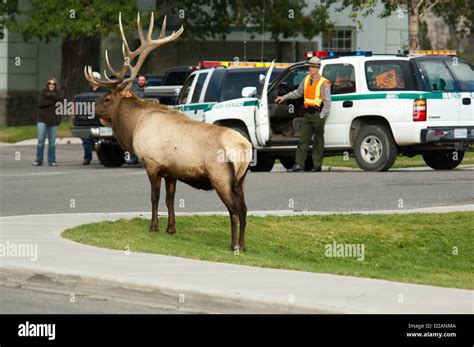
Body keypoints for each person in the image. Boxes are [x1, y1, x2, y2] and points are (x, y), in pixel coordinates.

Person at [275, 56, 331, 172]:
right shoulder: (306, 79)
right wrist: (284, 97)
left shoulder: (323, 83)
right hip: (307, 115)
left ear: (317, 68)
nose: (309, 68)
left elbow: (327, 102)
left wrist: (321, 116)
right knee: (303, 140)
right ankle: (299, 164)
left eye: (311, 67)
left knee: (318, 142)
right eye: (309, 66)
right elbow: (297, 93)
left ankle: (317, 165)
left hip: (317, 114)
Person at [33, 78, 62, 166]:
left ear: (55, 85)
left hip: (53, 121)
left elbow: (60, 102)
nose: (51, 85)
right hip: (42, 120)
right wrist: (54, 99)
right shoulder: (43, 92)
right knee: (41, 140)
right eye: (50, 83)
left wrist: (51, 96)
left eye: (53, 84)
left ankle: (52, 160)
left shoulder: (58, 93)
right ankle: (38, 160)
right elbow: (41, 104)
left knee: (52, 142)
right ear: (47, 84)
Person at [82, 72, 107, 165]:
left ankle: (104, 158)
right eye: (91, 79)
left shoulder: (104, 91)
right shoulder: (86, 91)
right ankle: (87, 157)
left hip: (102, 121)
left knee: (105, 141)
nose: (93, 81)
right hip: (89, 121)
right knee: (86, 140)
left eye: (95, 79)